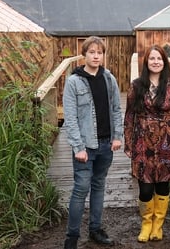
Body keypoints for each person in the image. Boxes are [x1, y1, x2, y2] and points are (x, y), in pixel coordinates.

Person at [62, 36, 123, 249]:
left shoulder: (109, 79)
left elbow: (116, 109)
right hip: (85, 146)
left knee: (98, 186)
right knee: (80, 188)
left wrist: (118, 136)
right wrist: (78, 147)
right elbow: (70, 117)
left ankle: (95, 229)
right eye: (92, 52)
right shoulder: (73, 81)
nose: (96, 56)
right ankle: (72, 237)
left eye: (100, 52)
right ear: (84, 54)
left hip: (106, 144)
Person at [123, 45, 170, 243]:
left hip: (168, 143)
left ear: (164, 61)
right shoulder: (136, 86)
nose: (156, 62)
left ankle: (157, 226)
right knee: (145, 188)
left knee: (162, 185)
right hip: (143, 143)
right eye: (152, 58)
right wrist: (128, 143)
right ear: (146, 62)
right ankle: (146, 224)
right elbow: (130, 116)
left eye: (159, 58)